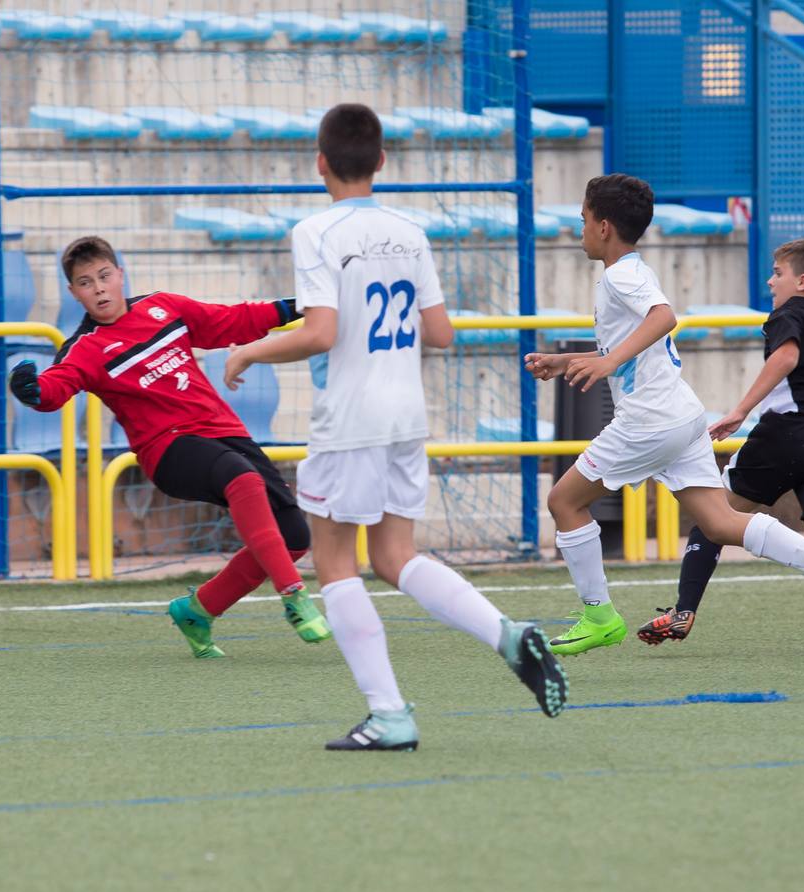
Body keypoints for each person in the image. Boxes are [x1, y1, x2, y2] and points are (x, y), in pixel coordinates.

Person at [222, 103, 568, 752]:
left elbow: (320, 331)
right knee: (393, 556)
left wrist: (248, 351)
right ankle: (504, 633)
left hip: (350, 418)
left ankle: (388, 714)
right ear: (381, 161)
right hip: (406, 414)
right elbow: (438, 332)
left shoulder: (315, 231)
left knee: (334, 563)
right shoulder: (410, 231)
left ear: (319, 163)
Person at [524, 174, 804, 657]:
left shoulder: (620, 275)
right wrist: (568, 361)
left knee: (565, 502)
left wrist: (605, 362)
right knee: (719, 522)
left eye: (583, 219)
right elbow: (637, 339)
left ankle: (599, 616)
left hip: (649, 420)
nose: (579, 228)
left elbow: (663, 318)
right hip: (680, 414)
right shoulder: (631, 269)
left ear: (604, 226)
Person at [8, 236, 331, 657]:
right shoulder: (85, 348)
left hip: (223, 432)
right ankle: (294, 596)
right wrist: (33, 391)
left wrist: (295, 307)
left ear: (120, 274)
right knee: (242, 478)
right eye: (86, 283)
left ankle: (198, 610)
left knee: (294, 536)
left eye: (105, 276)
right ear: (74, 293)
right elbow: (56, 387)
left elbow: (229, 321)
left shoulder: (164, 307)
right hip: (168, 451)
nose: (100, 288)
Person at [637, 238, 804, 659]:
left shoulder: (787, 314)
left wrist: (740, 410)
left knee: (713, 514)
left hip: (790, 434)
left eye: (778, 272)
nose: (771, 280)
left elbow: (787, 358)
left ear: (803, 281)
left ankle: (684, 611)